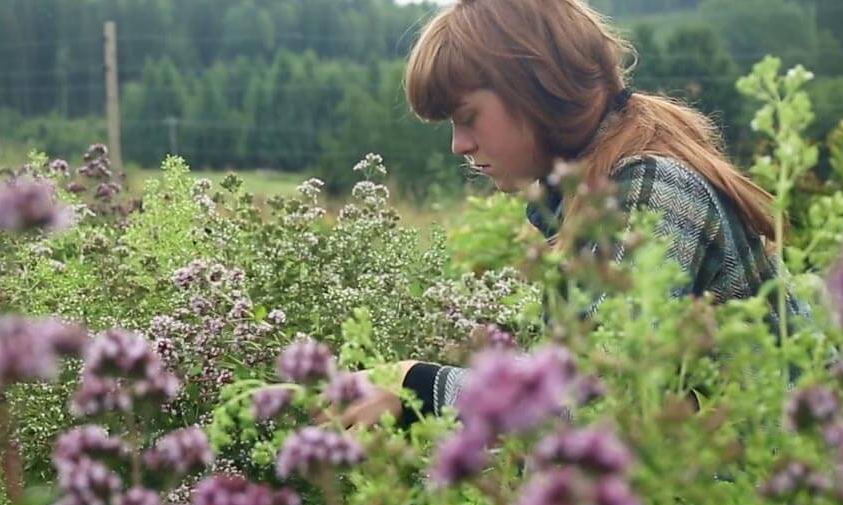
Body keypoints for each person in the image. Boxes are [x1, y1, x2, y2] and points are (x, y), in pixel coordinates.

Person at [333, 0, 804, 429]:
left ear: (534, 89)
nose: (460, 144)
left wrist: (417, 385)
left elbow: (600, 397)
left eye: (468, 116)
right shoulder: (586, 197)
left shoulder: (653, 189)